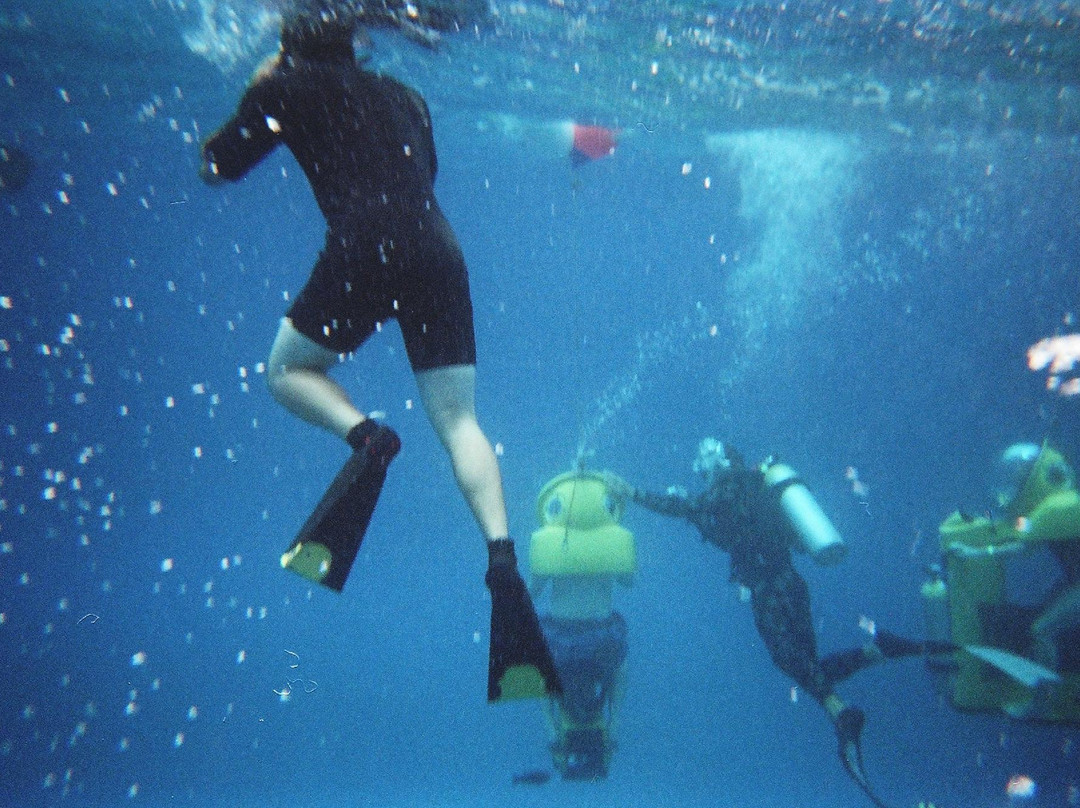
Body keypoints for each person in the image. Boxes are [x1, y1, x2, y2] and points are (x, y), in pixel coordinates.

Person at [198, 0, 559, 702]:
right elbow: (418, 175)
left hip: (365, 246)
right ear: (356, 38)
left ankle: (368, 440)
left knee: (287, 371)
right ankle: (502, 561)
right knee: (459, 420)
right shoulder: (406, 95)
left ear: (289, 39)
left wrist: (258, 88)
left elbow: (217, 167)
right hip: (439, 250)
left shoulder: (283, 87)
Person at [607, 439, 889, 807]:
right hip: (792, 582)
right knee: (808, 666)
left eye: (706, 466)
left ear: (718, 464)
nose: (704, 473)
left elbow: (684, 507)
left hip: (767, 590)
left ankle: (841, 711)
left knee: (789, 660)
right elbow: (729, 526)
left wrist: (633, 492)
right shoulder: (758, 484)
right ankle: (877, 651)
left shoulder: (724, 490)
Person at [527, 470, 635, 780]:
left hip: (559, 641)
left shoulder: (552, 544)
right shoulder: (612, 543)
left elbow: (533, 592)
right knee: (621, 666)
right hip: (601, 639)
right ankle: (614, 722)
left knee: (537, 660)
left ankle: (549, 725)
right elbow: (627, 581)